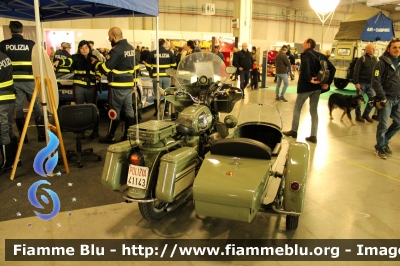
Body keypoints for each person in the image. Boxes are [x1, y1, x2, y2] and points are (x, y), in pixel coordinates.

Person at [283, 38, 336, 144]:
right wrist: (327, 83)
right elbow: (333, 68)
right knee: (314, 111)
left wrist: (309, 79)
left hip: (306, 87)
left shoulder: (306, 54)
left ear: (308, 44)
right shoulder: (320, 55)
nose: (302, 45)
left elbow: (306, 67)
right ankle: (313, 135)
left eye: (303, 43)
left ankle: (294, 131)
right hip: (317, 88)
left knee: (298, 108)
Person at [0, 21, 46, 143]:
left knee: (18, 108)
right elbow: (38, 61)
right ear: (22, 31)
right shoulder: (31, 44)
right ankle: (41, 134)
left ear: (10, 31)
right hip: (29, 80)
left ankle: (23, 136)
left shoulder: (3, 44)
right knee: (36, 105)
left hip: (13, 81)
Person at [95, 27, 139, 143]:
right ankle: (128, 135)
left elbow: (105, 68)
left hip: (117, 85)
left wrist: (96, 64)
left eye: (109, 37)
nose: (109, 39)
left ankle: (111, 136)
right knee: (129, 111)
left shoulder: (116, 50)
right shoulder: (131, 48)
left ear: (114, 37)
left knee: (114, 111)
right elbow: (136, 68)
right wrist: (134, 83)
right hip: (129, 86)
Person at [54, 40, 100, 139]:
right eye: (82, 48)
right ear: (79, 49)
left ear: (89, 48)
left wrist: (98, 75)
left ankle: (95, 131)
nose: (84, 50)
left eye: (86, 48)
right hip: (79, 86)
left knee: (93, 110)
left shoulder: (94, 58)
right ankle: (81, 132)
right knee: (79, 109)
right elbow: (68, 61)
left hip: (91, 87)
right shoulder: (74, 58)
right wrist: (59, 61)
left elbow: (98, 69)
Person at [371, 38, 400, 159]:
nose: (397, 50)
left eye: (399, 48)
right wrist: (382, 98)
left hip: (398, 98)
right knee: (383, 125)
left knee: (398, 123)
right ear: (388, 49)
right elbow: (375, 82)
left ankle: (384, 142)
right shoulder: (380, 64)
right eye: (394, 47)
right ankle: (379, 148)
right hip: (386, 99)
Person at [145, 38, 177, 117]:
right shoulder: (169, 53)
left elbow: (148, 66)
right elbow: (174, 65)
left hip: (157, 77)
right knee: (167, 94)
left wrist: (151, 72)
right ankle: (166, 111)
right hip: (167, 77)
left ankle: (157, 111)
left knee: (157, 95)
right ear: (164, 44)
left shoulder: (152, 53)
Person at [0, 50, 18, 173]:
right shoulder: (5, 57)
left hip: (1, 100)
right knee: (9, 128)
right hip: (10, 97)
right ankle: (16, 158)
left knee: (3, 131)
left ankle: (7, 163)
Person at [353, 44, 377, 123]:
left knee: (372, 99)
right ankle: (358, 116)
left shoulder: (375, 59)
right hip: (361, 83)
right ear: (367, 50)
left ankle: (366, 114)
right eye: (371, 49)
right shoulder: (362, 59)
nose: (373, 50)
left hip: (371, 84)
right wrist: (356, 82)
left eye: (373, 49)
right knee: (358, 100)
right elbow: (356, 71)